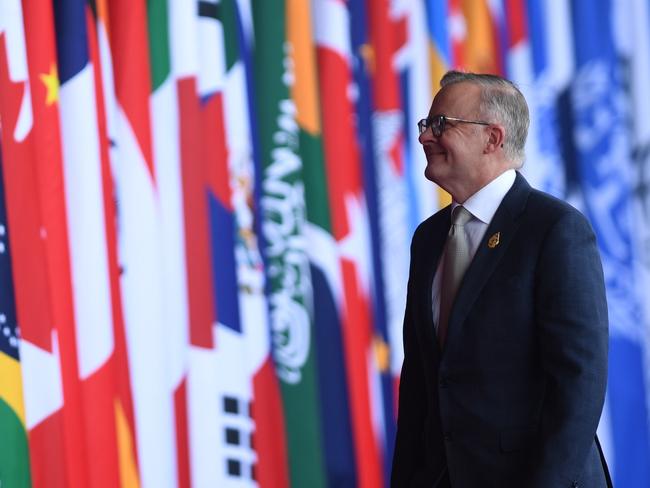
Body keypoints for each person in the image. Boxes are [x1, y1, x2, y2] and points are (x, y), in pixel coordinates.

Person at [391, 71, 611, 488]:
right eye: (425, 125)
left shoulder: (554, 228)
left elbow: (579, 382)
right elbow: (421, 381)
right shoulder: (428, 239)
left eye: (441, 125)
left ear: (492, 138)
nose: (424, 138)